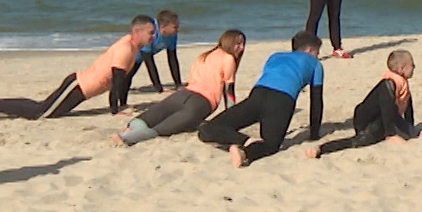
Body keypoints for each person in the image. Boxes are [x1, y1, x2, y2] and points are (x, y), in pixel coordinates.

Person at [0, 16, 156, 122]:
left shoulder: (132, 47)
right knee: (40, 113)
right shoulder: (125, 49)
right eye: (150, 32)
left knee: (41, 108)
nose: (153, 37)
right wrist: (115, 110)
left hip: (80, 87)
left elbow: (123, 82)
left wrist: (122, 104)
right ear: (136, 32)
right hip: (79, 86)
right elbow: (117, 81)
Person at [198, 31, 323, 167]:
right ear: (311, 50)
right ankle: (246, 151)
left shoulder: (275, 56)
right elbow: (316, 101)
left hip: (257, 95)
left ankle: (243, 140)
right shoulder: (315, 64)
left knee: (209, 128)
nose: (318, 55)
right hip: (282, 100)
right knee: (270, 145)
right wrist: (314, 133)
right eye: (317, 52)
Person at [113, 29, 244, 146]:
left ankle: (129, 131)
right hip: (201, 103)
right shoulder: (229, 58)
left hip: (182, 95)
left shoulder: (204, 56)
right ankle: (127, 138)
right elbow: (228, 92)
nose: (241, 48)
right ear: (228, 42)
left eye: (243, 44)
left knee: (145, 120)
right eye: (237, 44)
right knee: (160, 130)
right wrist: (231, 119)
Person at [307, 49, 422, 157]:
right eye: (413, 65)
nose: (414, 68)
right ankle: (320, 148)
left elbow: (407, 106)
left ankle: (409, 133)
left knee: (409, 128)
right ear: (402, 68)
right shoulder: (388, 83)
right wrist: (391, 134)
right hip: (366, 120)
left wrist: (410, 127)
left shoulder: (402, 83)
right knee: (358, 141)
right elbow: (386, 107)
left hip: (385, 119)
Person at [125, 9, 183, 93]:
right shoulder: (151, 33)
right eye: (175, 27)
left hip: (142, 56)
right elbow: (150, 63)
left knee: (125, 80)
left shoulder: (172, 35)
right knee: (124, 81)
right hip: (132, 55)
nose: (178, 29)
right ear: (163, 27)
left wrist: (178, 85)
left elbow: (172, 59)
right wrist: (159, 89)